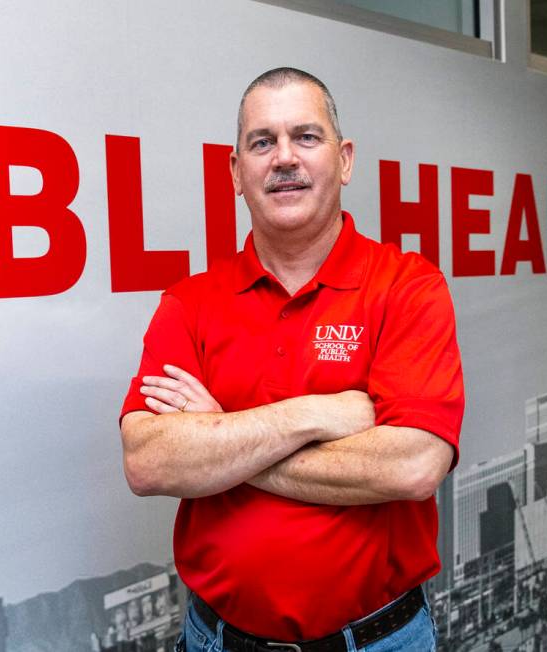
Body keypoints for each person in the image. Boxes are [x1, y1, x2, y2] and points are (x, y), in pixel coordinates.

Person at [119, 67, 464, 652]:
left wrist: (222, 438)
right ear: (235, 172)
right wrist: (314, 415)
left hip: (378, 642)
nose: (284, 158)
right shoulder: (190, 303)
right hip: (217, 640)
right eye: (262, 142)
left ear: (345, 159)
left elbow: (412, 466)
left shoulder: (408, 287)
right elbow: (148, 461)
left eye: (306, 137)